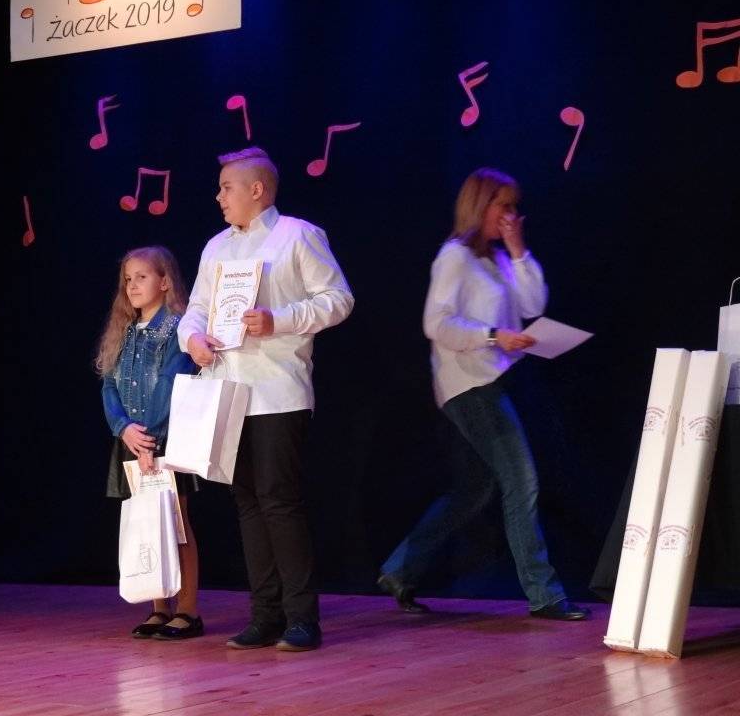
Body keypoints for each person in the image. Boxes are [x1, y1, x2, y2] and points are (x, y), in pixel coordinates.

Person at [377, 168, 589, 621]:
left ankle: (400, 569)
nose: (511, 215)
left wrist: (518, 249)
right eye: (503, 206)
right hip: (469, 385)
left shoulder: (499, 260)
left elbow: (533, 305)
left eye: (515, 207)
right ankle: (545, 594)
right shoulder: (454, 256)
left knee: (475, 489)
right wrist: (493, 336)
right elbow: (436, 324)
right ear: (480, 206)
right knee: (522, 480)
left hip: (493, 380)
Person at [178, 147, 354, 651]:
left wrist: (280, 319)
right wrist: (192, 339)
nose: (218, 197)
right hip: (228, 389)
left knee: (279, 501)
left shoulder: (298, 235)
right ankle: (265, 615)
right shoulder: (216, 248)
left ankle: (302, 618)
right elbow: (196, 309)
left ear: (257, 190)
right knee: (248, 502)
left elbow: (338, 299)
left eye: (226, 187)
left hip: (277, 389)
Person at [98, 245, 203, 639]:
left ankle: (188, 610)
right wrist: (123, 427)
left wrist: (151, 439)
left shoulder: (176, 329)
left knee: (176, 524)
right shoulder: (124, 331)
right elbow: (109, 385)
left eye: (142, 277)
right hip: (131, 440)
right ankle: (159, 607)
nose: (132, 285)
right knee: (147, 524)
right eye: (128, 279)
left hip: (163, 439)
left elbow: (173, 383)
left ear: (164, 281)